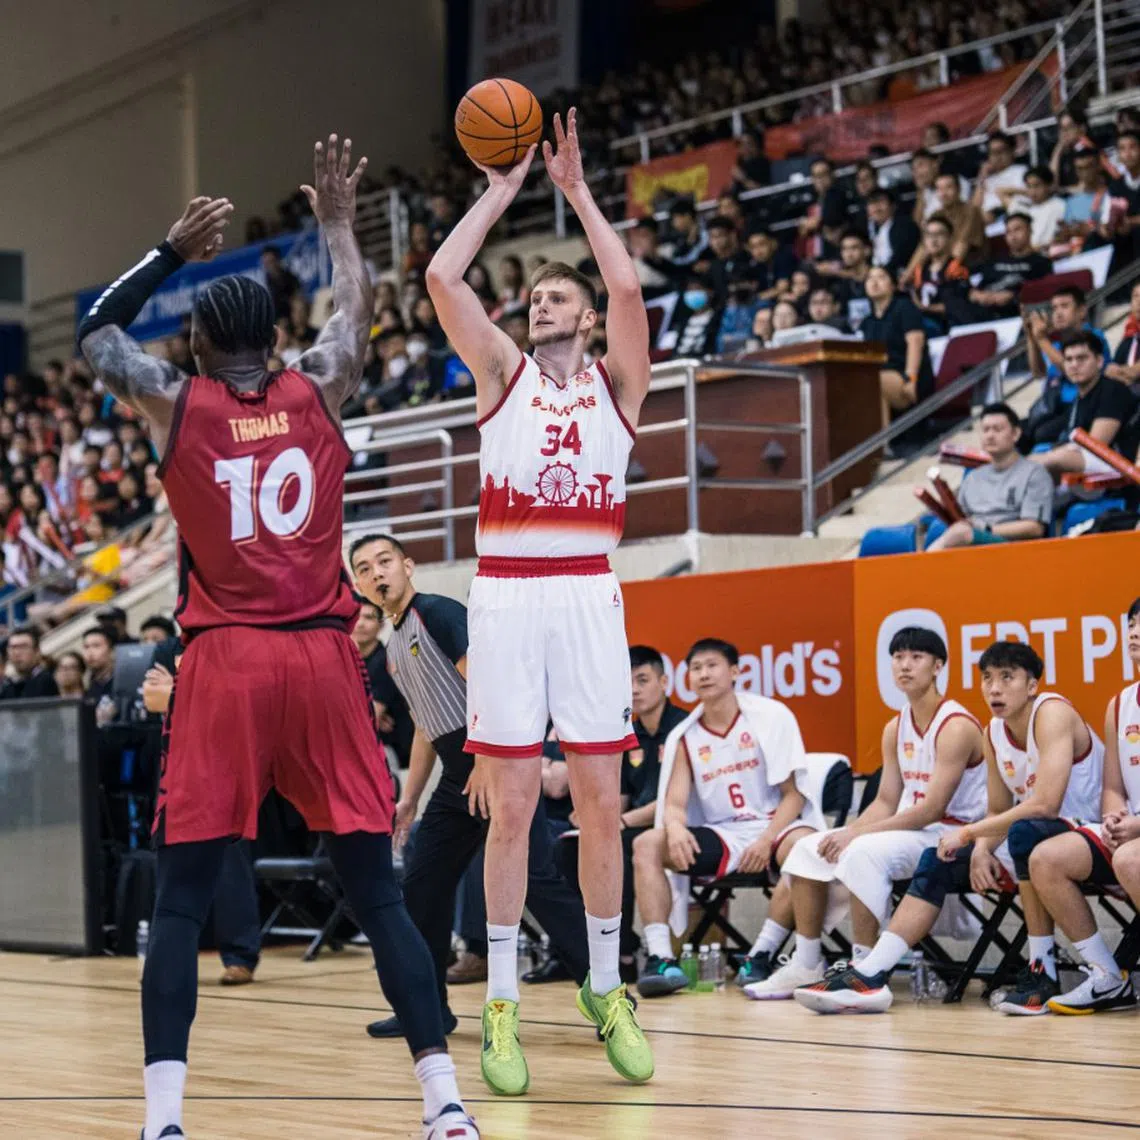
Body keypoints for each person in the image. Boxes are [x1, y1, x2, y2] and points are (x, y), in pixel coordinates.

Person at [78, 138, 475, 1140]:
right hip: (319, 657)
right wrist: (338, 221)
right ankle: (445, 1104)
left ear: (203, 345)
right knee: (378, 894)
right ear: (274, 336)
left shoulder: (176, 400)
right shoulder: (321, 386)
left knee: (179, 905)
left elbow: (95, 330)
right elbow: (357, 311)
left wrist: (168, 252)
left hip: (224, 661)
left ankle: (164, 1121)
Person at [425, 107, 655, 1095]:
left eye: (557, 295)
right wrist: (500, 192)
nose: (540, 304)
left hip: (589, 596)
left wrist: (577, 194)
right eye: (532, 297)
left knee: (600, 805)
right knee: (512, 809)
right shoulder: (501, 377)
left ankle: (606, 985)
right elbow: (441, 278)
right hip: (511, 599)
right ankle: (505, 1002)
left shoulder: (618, 386)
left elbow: (629, 280)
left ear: (585, 317)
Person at [347, 533, 589, 1043]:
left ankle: (609, 995)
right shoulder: (393, 649)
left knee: (538, 883)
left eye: (384, 561)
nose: (376, 573)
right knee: (420, 886)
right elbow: (425, 725)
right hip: (458, 777)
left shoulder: (438, 613)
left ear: (408, 566)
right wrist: (409, 799)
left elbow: (486, 684)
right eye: (364, 568)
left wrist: (484, 757)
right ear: (358, 585)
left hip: (496, 764)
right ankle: (428, 1009)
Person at [794, 641, 1103, 1016]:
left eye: (1007, 678)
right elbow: (998, 809)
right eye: (987, 678)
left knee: (1021, 832)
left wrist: (973, 835)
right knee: (939, 858)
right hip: (1032, 837)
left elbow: (1045, 805)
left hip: (1088, 834)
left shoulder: (1052, 712)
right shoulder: (993, 731)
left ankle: (1050, 970)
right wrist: (983, 851)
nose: (994, 688)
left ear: (1032, 685)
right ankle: (870, 974)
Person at [749, 627, 985, 999]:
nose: (905, 666)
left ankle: (863, 970)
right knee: (809, 847)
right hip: (909, 830)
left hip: (950, 833)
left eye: (916, 657)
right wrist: (846, 830)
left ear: (939, 666)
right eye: (898, 657)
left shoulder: (956, 726)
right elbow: (886, 800)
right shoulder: (895, 727)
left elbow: (931, 809)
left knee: (862, 852)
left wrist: (857, 836)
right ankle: (807, 961)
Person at [633, 638, 822, 998]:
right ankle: (660, 957)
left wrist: (766, 839)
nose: (703, 674)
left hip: (773, 825)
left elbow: (794, 795)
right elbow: (673, 803)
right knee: (647, 844)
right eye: (696, 668)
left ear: (735, 672)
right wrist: (673, 827)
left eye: (712, 665)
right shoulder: (686, 736)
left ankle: (762, 953)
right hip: (723, 832)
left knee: (805, 849)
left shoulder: (769, 718)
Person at [1027, 599, 1140, 1014]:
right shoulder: (1119, 704)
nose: (1134, 631)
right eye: (1131, 623)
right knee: (1045, 859)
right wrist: (1114, 816)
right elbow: (1113, 785)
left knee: (1130, 859)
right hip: (1129, 831)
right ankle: (1108, 976)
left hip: (1137, 840)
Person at [555, 645, 687, 984]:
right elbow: (622, 795)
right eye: (627, 682)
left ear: (664, 682)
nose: (634, 689)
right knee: (568, 848)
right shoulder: (631, 732)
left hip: (676, 827)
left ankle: (624, 951)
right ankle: (584, 949)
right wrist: (591, 814)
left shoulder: (683, 729)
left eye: (642, 680)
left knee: (617, 845)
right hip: (632, 825)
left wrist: (621, 821)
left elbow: (674, 801)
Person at [925, 403, 1053, 550]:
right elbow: (961, 520)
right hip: (973, 543)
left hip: (1013, 548)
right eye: (986, 430)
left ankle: (921, 565)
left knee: (961, 534)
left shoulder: (1035, 473)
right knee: (937, 528)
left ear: (1016, 434)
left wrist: (985, 529)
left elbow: (1035, 528)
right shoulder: (973, 477)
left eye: (997, 429)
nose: (990, 435)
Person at [1030, 331, 1138, 479]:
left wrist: (1052, 456)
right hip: (1087, 468)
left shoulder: (1112, 390)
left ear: (1099, 361)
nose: (1074, 365)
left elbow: (1096, 447)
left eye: (1081, 358)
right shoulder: (1079, 397)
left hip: (1116, 467)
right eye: (1069, 359)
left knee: (1051, 460)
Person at [942, 213, 1051, 327]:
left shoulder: (1041, 262)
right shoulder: (994, 260)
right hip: (982, 307)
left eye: (1017, 229)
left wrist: (1014, 296)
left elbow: (1042, 292)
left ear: (1029, 230)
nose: (1013, 236)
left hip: (1014, 309)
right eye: (1009, 232)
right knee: (950, 293)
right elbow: (968, 280)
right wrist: (973, 293)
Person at [860, 266, 934, 417]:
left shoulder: (905, 307)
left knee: (870, 381)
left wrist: (911, 378)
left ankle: (881, 440)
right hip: (880, 374)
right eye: (870, 278)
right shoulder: (867, 322)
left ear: (893, 285)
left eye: (881, 277)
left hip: (907, 376)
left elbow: (915, 342)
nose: (874, 282)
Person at [1025, 285, 1112, 390]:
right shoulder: (1055, 345)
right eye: (1054, 308)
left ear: (1082, 311)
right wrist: (1031, 337)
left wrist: (1041, 339)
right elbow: (1038, 373)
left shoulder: (1094, 336)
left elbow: (1068, 368)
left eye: (1064, 306)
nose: (1058, 313)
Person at [902, 214, 969, 333]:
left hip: (947, 325)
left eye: (939, 234)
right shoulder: (920, 270)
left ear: (950, 238)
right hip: (922, 323)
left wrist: (925, 308)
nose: (933, 239)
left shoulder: (957, 267)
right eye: (929, 235)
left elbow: (958, 305)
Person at [999, 166, 1067, 251]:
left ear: (1049, 185)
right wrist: (1026, 192)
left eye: (1037, 186)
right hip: (1025, 253)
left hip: (1046, 252)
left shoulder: (1059, 205)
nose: (1032, 191)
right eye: (1029, 186)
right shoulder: (1023, 208)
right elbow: (1000, 192)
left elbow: (1057, 239)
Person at [930, 172, 987, 265]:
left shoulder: (971, 211)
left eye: (948, 187)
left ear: (958, 189)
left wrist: (942, 273)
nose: (944, 193)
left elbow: (962, 244)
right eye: (939, 189)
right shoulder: (935, 215)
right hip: (944, 268)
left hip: (971, 268)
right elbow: (924, 248)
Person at [973, 131, 1028, 222]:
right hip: (988, 220)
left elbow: (1028, 194)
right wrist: (981, 177)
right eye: (993, 152)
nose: (997, 156)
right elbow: (974, 207)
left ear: (1011, 151)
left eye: (1001, 151)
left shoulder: (1021, 170)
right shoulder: (986, 179)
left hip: (1012, 213)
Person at [865, 189, 920, 278]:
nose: (876, 207)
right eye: (872, 203)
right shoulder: (869, 228)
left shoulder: (904, 226)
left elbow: (901, 257)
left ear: (893, 206)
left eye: (881, 202)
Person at [0, 625, 59, 699]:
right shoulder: (7, 685)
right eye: (13, 647)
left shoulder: (45, 681)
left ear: (37, 652)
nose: (17, 652)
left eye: (23, 647)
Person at [1105, 280, 1140, 386]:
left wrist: (1124, 373)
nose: (1139, 301)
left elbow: (1134, 372)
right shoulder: (1130, 337)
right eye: (1135, 296)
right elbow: (1110, 371)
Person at [259, 245, 301, 321]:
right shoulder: (264, 283)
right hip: (276, 320)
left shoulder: (291, 278)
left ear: (278, 260)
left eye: (271, 262)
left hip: (292, 315)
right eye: (266, 263)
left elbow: (298, 298)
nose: (269, 266)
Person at [81, 625, 115, 704]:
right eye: (86, 647)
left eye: (96, 646)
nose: (89, 653)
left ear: (111, 650)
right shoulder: (89, 689)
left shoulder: (122, 683)